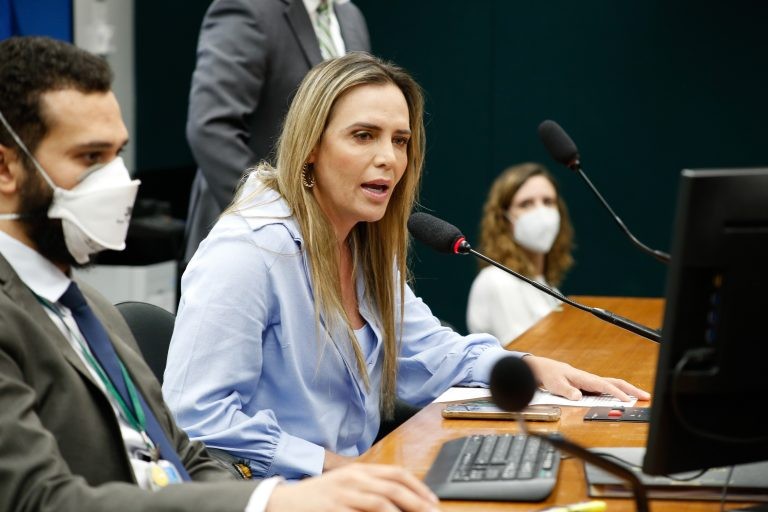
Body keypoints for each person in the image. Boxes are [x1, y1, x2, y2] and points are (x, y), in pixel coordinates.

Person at [0, 36, 440, 512]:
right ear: (6, 169)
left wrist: (269, 502)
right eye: (90, 158)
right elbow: (38, 498)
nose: (117, 182)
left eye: (116, 155)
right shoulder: (246, 250)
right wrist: (276, 502)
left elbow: (183, 456)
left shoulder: (87, 307)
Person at [163, 52, 650, 481]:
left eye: (400, 140)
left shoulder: (362, 246)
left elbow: (432, 355)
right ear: (310, 147)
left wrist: (527, 365)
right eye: (363, 136)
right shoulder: (247, 253)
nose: (388, 159)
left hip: (355, 485)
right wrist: (340, 468)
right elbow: (196, 419)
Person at [183, 0, 370, 263]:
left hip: (338, 241)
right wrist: (281, 216)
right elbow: (211, 128)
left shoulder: (349, 16)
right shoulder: (247, 8)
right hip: (253, 238)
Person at [467, 163, 575, 343]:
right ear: (503, 218)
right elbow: (528, 353)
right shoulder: (497, 280)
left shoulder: (545, 284)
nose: (541, 212)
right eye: (526, 204)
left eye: (548, 202)